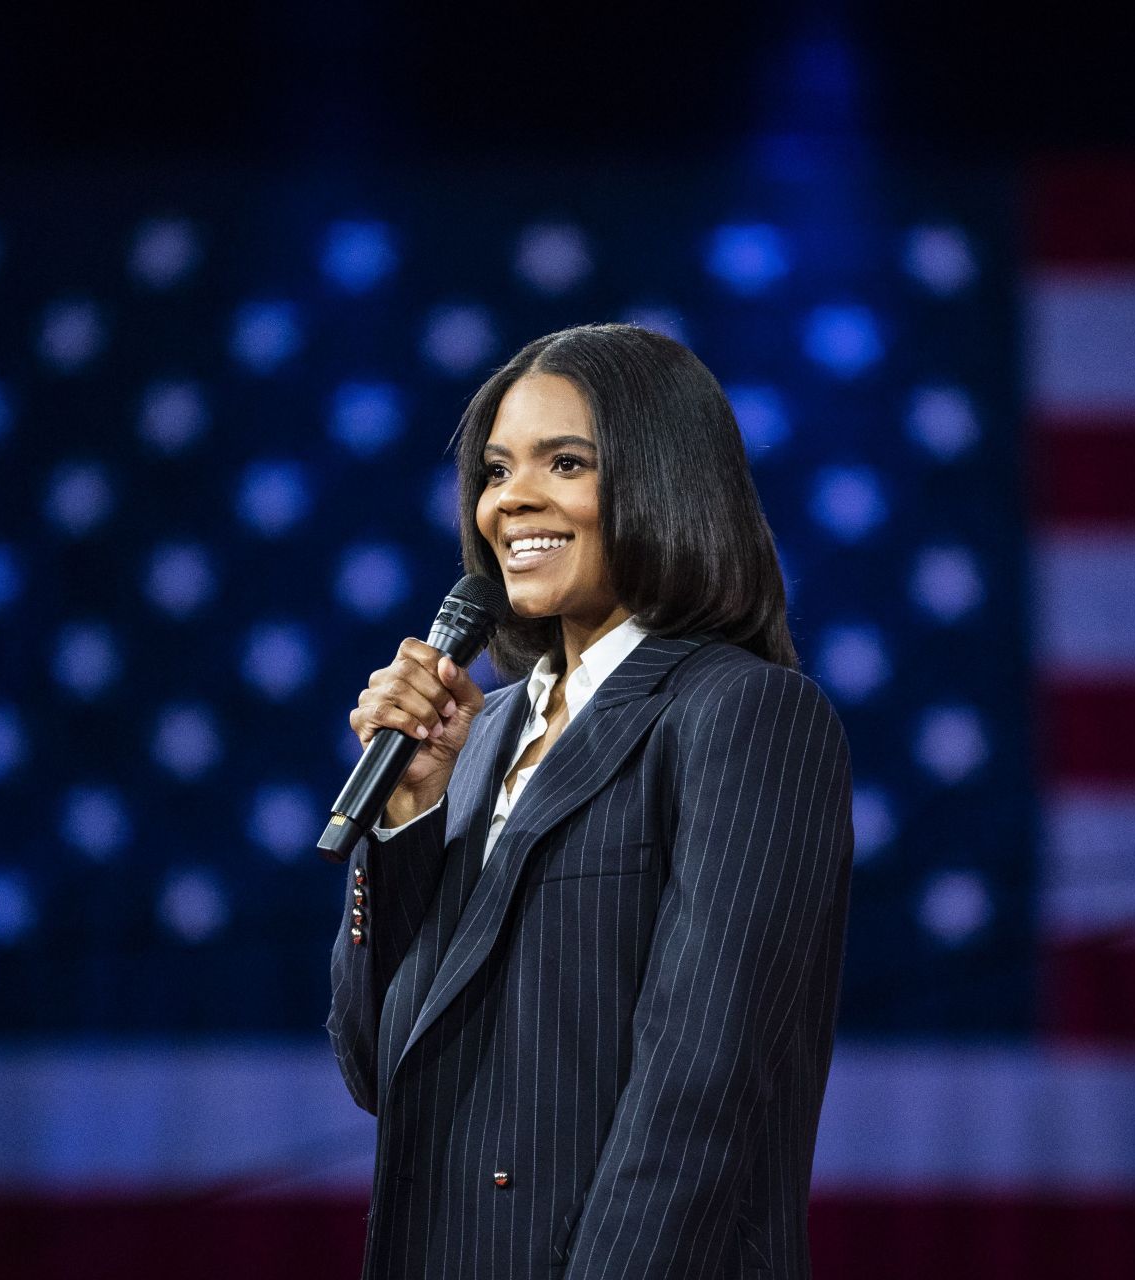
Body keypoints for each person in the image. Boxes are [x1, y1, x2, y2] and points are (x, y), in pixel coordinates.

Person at [328, 323, 853, 1279]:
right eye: (493, 471)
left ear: (665, 480)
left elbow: (698, 1093)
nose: (510, 500)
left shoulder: (744, 715)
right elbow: (378, 1069)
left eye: (563, 462)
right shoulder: (478, 737)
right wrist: (409, 818)